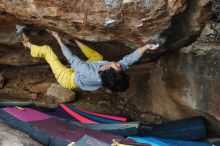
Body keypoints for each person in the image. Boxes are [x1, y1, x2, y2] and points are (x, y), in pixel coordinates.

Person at [21, 31, 159, 92]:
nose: (119, 64)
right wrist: (146, 47)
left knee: (46, 50)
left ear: (106, 70)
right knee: (97, 57)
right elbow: (130, 59)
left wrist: (58, 38)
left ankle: (27, 45)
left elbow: (71, 58)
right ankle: (74, 40)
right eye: (120, 67)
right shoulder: (113, 73)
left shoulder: (89, 72)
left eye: (116, 66)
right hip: (82, 72)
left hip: (67, 78)